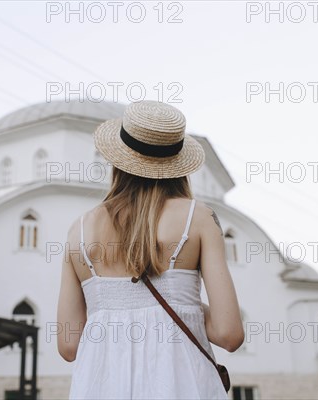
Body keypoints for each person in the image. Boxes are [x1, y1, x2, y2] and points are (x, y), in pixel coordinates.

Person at [57, 100, 244, 399]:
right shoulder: (199, 218)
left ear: (118, 159)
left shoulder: (78, 230)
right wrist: (185, 304)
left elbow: (68, 346)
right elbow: (229, 334)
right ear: (178, 164)